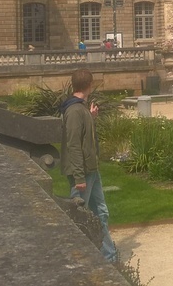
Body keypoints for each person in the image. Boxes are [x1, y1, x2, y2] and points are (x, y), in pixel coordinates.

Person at [60, 68, 118, 262]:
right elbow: (73, 145)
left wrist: (91, 118)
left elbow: (84, 138)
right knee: (80, 218)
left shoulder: (81, 108)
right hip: (83, 173)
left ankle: (108, 257)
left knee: (101, 212)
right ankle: (80, 258)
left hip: (91, 170)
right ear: (89, 85)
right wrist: (78, 178)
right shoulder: (74, 110)